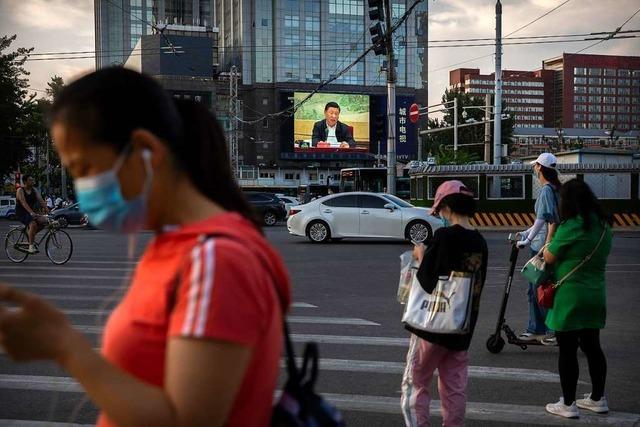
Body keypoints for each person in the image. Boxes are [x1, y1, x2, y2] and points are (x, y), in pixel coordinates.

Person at [0, 67, 291, 427]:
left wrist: (65, 347)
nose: (82, 187)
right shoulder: (179, 244)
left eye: (85, 168)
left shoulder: (215, 259)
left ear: (145, 151)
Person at [401, 180, 488, 427]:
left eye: (439, 209)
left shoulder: (443, 236)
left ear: (447, 207)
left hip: (431, 325)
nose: (439, 214)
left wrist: (420, 255)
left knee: (416, 382)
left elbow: (427, 281)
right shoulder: (479, 241)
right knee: (454, 386)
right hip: (461, 326)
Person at [542, 179, 612, 419]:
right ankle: (597, 398)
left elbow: (548, 257)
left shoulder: (572, 225)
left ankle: (569, 404)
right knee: (593, 347)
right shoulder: (603, 225)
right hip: (595, 294)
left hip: (570, 295)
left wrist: (550, 234)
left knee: (568, 350)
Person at [516, 152, 561, 345]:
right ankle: (537, 328)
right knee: (536, 288)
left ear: (540, 168)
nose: (534, 168)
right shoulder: (556, 189)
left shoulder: (546, 190)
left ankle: (550, 330)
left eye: (535, 166)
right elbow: (540, 222)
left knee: (540, 289)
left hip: (542, 248)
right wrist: (526, 233)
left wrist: (529, 240)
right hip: (546, 245)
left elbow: (545, 218)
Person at [15, 174, 49, 253]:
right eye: (30, 180)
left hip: (31, 212)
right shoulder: (20, 190)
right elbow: (23, 203)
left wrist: (48, 210)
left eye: (33, 180)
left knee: (44, 222)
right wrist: (31, 213)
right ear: (25, 182)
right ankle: (31, 247)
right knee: (33, 224)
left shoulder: (34, 190)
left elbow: (41, 200)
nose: (33, 181)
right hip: (21, 212)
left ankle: (30, 234)